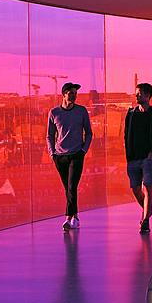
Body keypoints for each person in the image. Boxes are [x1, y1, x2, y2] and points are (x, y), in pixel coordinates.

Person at [47, 82, 93, 231]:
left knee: (72, 186)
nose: (74, 95)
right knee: (68, 188)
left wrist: (83, 150)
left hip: (76, 154)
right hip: (60, 156)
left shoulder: (81, 111)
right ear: (64, 94)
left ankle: (68, 218)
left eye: (75, 93)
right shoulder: (54, 113)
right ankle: (76, 217)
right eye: (71, 93)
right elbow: (49, 135)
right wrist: (52, 153)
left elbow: (89, 132)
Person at [124, 82, 152, 234]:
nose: (136, 95)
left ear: (147, 95)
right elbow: (126, 134)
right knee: (135, 188)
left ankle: (145, 220)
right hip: (133, 158)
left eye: (139, 93)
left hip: (148, 158)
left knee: (148, 188)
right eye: (137, 93)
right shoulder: (131, 113)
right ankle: (147, 211)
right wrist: (128, 154)